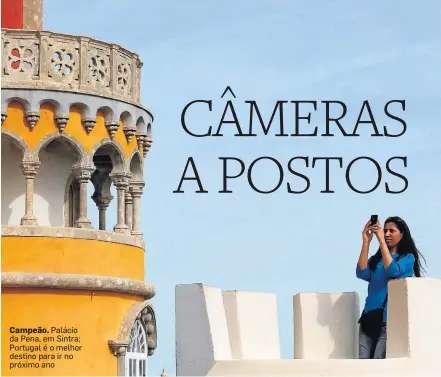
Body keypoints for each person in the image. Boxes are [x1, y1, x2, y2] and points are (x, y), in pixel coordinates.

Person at [356, 216, 426, 359]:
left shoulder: (407, 257)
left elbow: (392, 271)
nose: (387, 234)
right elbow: (361, 272)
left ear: (402, 234)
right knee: (362, 364)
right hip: (368, 318)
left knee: (378, 363)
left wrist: (381, 240)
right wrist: (366, 241)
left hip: (387, 321)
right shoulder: (377, 260)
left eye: (391, 231)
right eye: (385, 230)